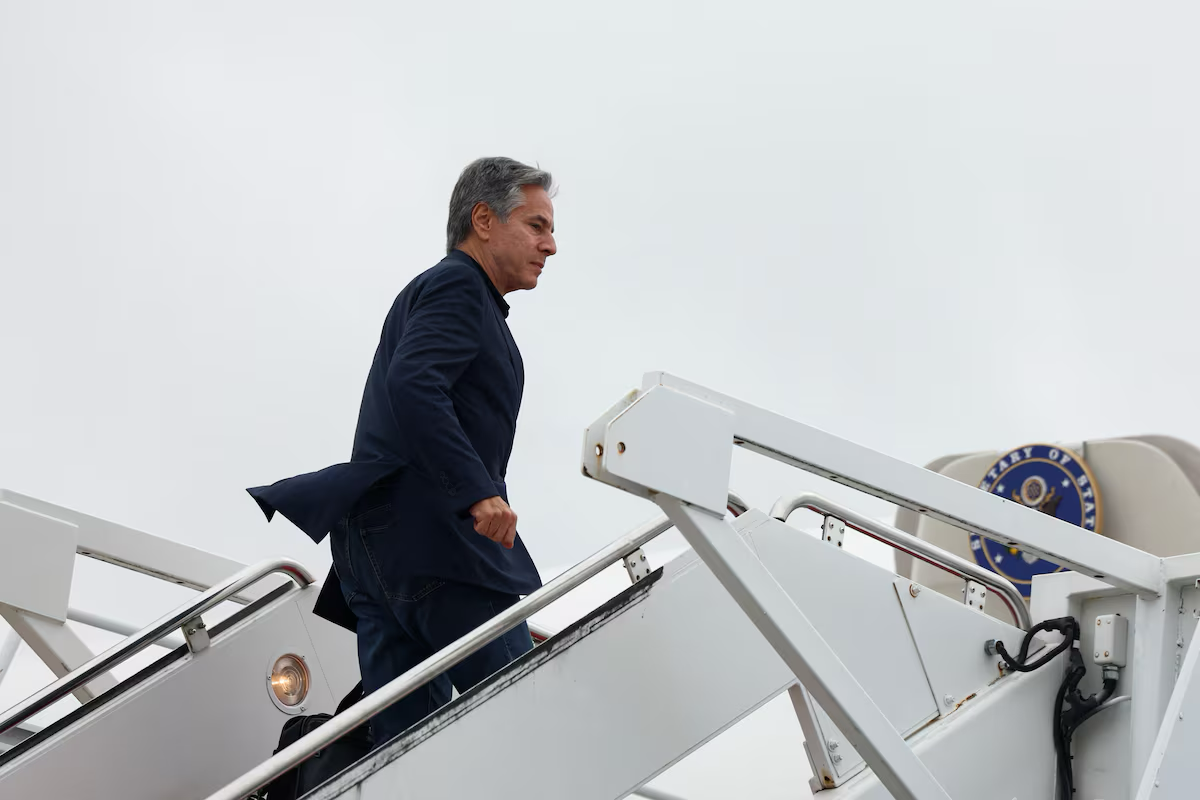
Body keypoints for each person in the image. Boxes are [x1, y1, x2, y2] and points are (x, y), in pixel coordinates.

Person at [247, 156, 557, 747]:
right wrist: (479, 493)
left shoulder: (442, 291)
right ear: (483, 220)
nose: (551, 244)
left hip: (378, 547)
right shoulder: (460, 287)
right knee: (528, 717)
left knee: (406, 756)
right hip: (434, 545)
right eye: (536, 225)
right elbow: (415, 384)